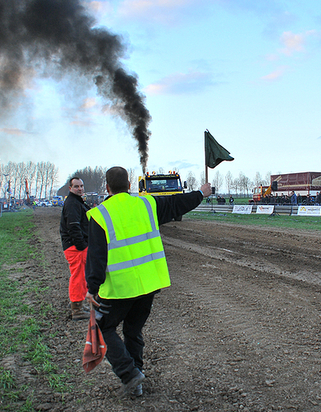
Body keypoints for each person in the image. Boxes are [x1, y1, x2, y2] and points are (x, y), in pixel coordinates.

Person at [85, 166, 212, 398]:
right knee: (133, 331)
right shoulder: (147, 204)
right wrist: (201, 193)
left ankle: (130, 374)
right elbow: (177, 204)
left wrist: (92, 288)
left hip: (120, 289)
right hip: (149, 285)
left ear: (107, 187)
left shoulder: (100, 214)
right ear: (130, 185)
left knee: (103, 329)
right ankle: (137, 381)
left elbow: (96, 256)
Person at [60, 177, 91, 321]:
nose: (80, 189)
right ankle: (77, 309)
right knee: (78, 276)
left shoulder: (77, 202)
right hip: (75, 247)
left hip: (76, 245)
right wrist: (81, 245)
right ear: (70, 188)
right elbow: (73, 226)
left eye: (81, 186)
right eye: (76, 186)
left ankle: (79, 303)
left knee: (81, 276)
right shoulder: (73, 203)